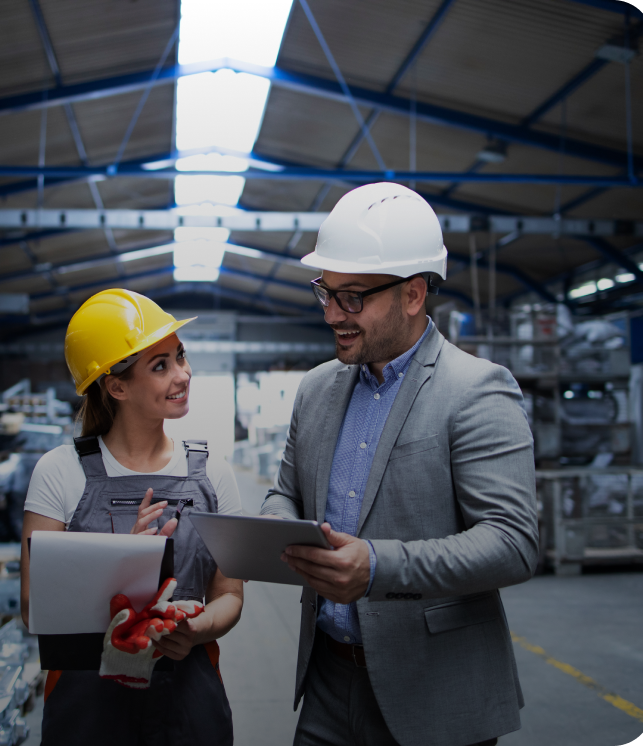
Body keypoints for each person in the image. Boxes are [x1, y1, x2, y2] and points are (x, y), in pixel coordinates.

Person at [260, 183, 538, 746]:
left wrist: (380, 568)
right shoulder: (317, 390)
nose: (334, 314)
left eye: (353, 298)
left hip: (434, 691)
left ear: (413, 294)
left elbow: (513, 542)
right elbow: (285, 490)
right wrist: (276, 528)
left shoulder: (476, 390)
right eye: (326, 293)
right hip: (327, 683)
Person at [20, 288, 243, 745]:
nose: (183, 374)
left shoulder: (212, 473)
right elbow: (32, 609)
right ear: (116, 385)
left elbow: (231, 595)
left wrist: (196, 628)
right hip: (88, 710)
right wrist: (123, 564)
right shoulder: (59, 472)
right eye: (160, 366)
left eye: (180, 356)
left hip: (188, 702)